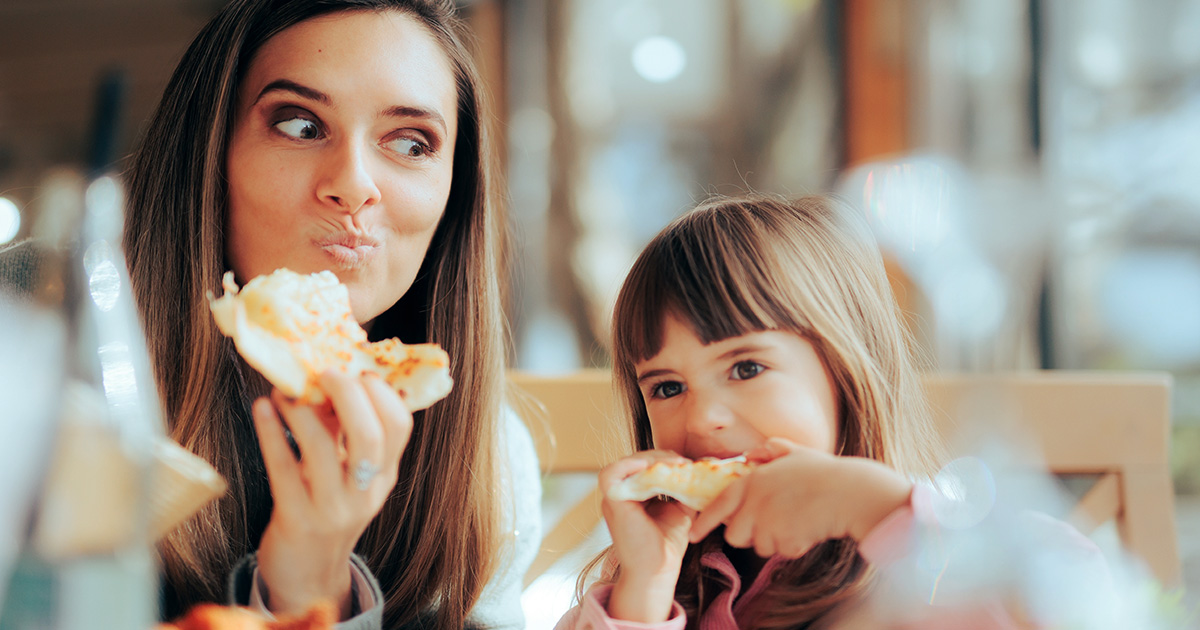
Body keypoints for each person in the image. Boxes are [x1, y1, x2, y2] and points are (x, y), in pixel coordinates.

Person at [120, 1, 539, 629]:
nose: (354, 184)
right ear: (207, 154)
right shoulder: (50, 373)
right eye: (299, 125)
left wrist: (309, 589)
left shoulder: (490, 459)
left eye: (409, 142)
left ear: (455, 192)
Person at [556, 195, 1105, 630]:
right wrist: (643, 594)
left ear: (846, 372)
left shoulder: (958, 546)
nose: (701, 420)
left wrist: (880, 510)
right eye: (668, 386)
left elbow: (1074, 606)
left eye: (745, 368)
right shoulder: (656, 586)